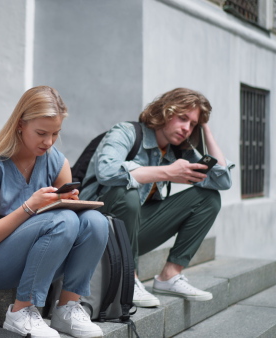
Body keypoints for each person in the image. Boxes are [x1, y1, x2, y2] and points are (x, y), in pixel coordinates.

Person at [0, 86, 109, 338]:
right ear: (20, 124)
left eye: (55, 133)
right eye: (41, 133)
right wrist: (31, 207)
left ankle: (67, 308)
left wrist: (70, 201)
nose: (49, 142)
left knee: (95, 221)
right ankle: (21, 311)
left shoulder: (56, 161)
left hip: (43, 255)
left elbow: (74, 220)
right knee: (62, 220)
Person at [79, 88, 233, 308]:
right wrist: (168, 172)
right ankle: (128, 278)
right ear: (165, 111)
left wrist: (206, 128)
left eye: (193, 124)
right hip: (96, 228)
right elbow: (108, 171)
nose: (186, 129)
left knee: (209, 198)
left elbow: (222, 181)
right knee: (128, 191)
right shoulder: (126, 132)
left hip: (132, 232)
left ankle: (170, 276)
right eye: (182, 118)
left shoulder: (176, 151)